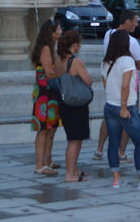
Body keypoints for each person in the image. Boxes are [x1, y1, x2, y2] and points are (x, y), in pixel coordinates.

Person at [101, 29, 140, 190]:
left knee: (113, 142)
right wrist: (124, 107)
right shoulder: (127, 60)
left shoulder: (105, 61)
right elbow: (125, 85)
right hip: (125, 107)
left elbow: (105, 84)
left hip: (109, 106)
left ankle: (116, 178)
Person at [94, 10, 140, 161]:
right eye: (135, 21)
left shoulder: (108, 34)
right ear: (127, 21)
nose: (137, 24)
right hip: (125, 84)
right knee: (127, 119)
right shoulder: (132, 42)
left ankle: (99, 149)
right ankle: (121, 152)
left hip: (111, 82)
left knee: (108, 118)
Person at [56, 31, 93, 182]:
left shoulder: (59, 60)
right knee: (75, 140)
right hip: (76, 103)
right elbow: (88, 80)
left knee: (73, 138)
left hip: (64, 102)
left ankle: (73, 169)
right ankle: (69, 174)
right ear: (75, 44)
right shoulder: (75, 61)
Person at [30, 18, 61, 176]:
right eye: (58, 29)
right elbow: (49, 72)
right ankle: (39, 164)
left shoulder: (50, 47)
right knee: (43, 129)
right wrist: (64, 75)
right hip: (45, 94)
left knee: (51, 128)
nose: (60, 32)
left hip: (48, 92)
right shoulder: (45, 49)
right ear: (52, 32)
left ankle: (47, 160)